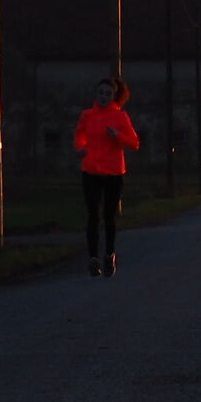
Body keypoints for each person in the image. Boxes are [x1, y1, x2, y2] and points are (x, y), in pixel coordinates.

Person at [75, 77, 141, 277]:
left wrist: (117, 136)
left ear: (114, 97)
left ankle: (109, 255)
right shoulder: (87, 115)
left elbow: (134, 143)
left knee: (109, 216)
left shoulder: (120, 117)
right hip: (91, 171)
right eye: (101, 93)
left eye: (108, 94)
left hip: (113, 173)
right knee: (93, 214)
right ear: (96, 94)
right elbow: (80, 136)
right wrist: (81, 147)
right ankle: (93, 259)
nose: (103, 97)